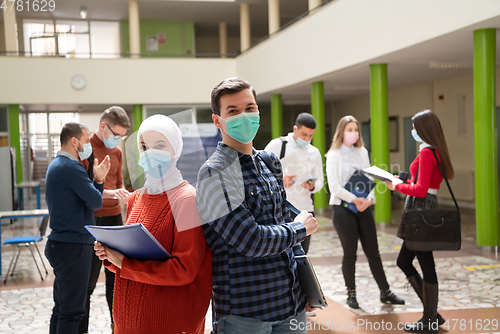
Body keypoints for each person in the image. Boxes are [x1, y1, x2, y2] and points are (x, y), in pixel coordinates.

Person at [196, 77, 318, 334]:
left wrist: (304, 286)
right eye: (233, 111)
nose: (244, 116)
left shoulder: (270, 162)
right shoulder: (214, 172)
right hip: (246, 312)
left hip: (291, 302)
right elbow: (251, 240)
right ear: (217, 120)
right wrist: (299, 229)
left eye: (250, 108)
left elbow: (282, 220)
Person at [94, 114, 212, 334]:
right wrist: (109, 255)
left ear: (175, 149)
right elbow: (127, 258)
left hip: (168, 322)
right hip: (129, 320)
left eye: (159, 145)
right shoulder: (135, 199)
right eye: (144, 146)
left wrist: (124, 264)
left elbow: (184, 270)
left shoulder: (187, 200)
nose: (150, 153)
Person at [325, 115, 404, 309]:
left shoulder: (362, 151)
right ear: (341, 132)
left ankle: (385, 292)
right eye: (349, 130)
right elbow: (334, 186)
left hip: (364, 207)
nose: (353, 133)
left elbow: (370, 177)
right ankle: (351, 293)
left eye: (356, 130)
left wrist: (370, 200)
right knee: (350, 253)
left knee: (373, 252)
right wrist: (354, 199)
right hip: (343, 208)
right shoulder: (333, 155)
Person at [385, 110, 453, 333]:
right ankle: (432, 314)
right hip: (425, 208)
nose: (413, 131)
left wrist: (396, 186)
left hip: (420, 209)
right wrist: (406, 178)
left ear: (423, 129)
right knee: (411, 260)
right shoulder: (435, 151)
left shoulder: (426, 153)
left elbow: (421, 190)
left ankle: (429, 317)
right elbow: (424, 182)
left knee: (416, 261)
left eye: (414, 127)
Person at [45, 122, 111, 334]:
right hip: (73, 246)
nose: (88, 145)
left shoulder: (57, 165)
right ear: (75, 142)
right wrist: (99, 178)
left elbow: (86, 197)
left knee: (62, 308)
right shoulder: (71, 167)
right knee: (73, 311)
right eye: (86, 140)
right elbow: (95, 201)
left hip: (61, 244)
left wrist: (95, 181)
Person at [79, 106, 131, 334]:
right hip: (92, 221)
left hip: (114, 219)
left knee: (116, 279)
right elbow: (83, 190)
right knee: (88, 282)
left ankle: (115, 326)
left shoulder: (117, 152)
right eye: (116, 134)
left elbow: (119, 183)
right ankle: (82, 329)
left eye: (121, 136)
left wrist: (124, 194)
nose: (117, 140)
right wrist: (107, 193)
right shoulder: (84, 150)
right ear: (103, 126)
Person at [264, 112, 324, 254]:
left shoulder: (314, 152)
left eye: (310, 136)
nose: (307, 139)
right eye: (304, 135)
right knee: (284, 254)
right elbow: (260, 171)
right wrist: (280, 180)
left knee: (302, 256)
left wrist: (313, 186)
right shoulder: (278, 145)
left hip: (305, 209)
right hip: (283, 210)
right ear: (295, 129)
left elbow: (320, 180)